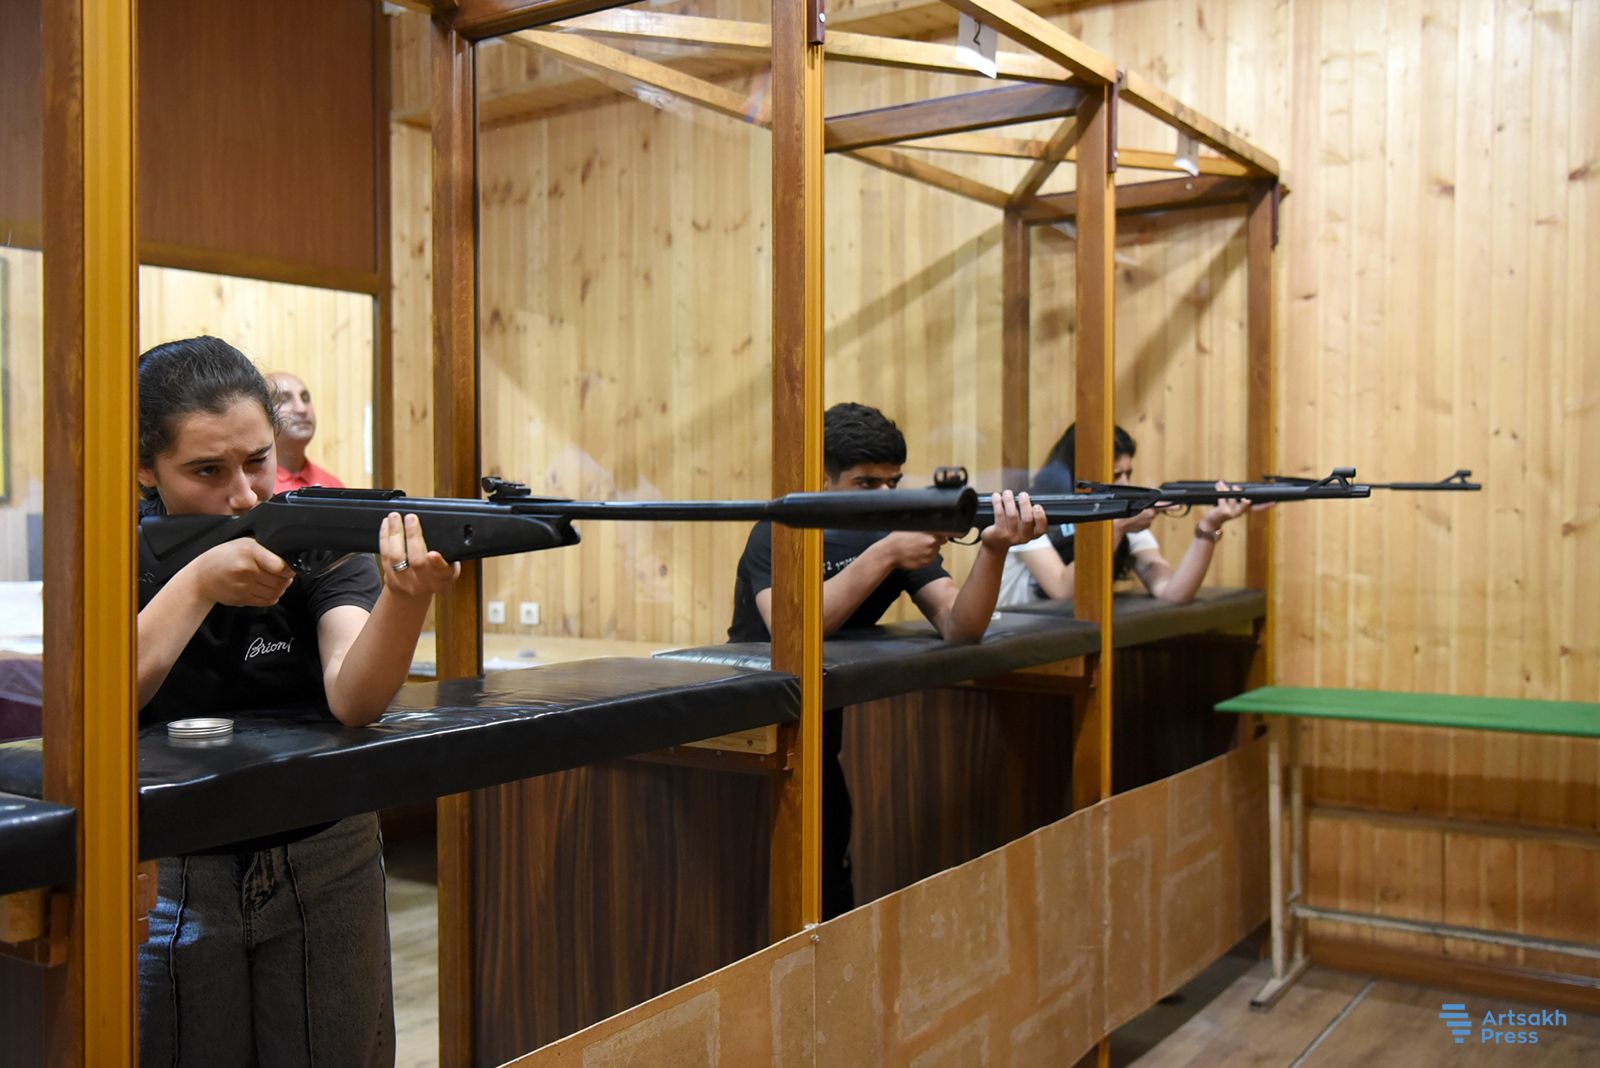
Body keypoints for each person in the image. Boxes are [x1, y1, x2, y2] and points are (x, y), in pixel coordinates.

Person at [136, 336, 458, 1066]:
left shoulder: (314, 535)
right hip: (168, 868)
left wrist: (406, 599)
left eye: (258, 460)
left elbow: (354, 697)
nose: (245, 495)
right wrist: (198, 582)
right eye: (207, 471)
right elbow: (107, 698)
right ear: (146, 468)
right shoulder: (113, 550)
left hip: (325, 848)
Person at [728, 402, 1046, 918]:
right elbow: (794, 629)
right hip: (747, 742)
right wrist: (886, 553)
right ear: (822, 479)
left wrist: (993, 551)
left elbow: (959, 625)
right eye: (866, 484)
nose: (886, 495)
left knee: (831, 888)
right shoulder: (780, 528)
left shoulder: (891, 533)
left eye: (893, 482)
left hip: (818, 742)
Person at [996, 423, 1258, 608]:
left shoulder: (1123, 515)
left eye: (1128, 473)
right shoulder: (1031, 511)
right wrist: (1118, 528)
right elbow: (1063, 590)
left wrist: (1209, 527)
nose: (1125, 483)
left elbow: (1173, 592)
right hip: (1013, 632)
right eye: (1115, 475)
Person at [267, 370, 345, 492]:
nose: (302, 409)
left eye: (305, 398)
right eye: (284, 399)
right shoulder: (252, 487)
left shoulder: (334, 486)